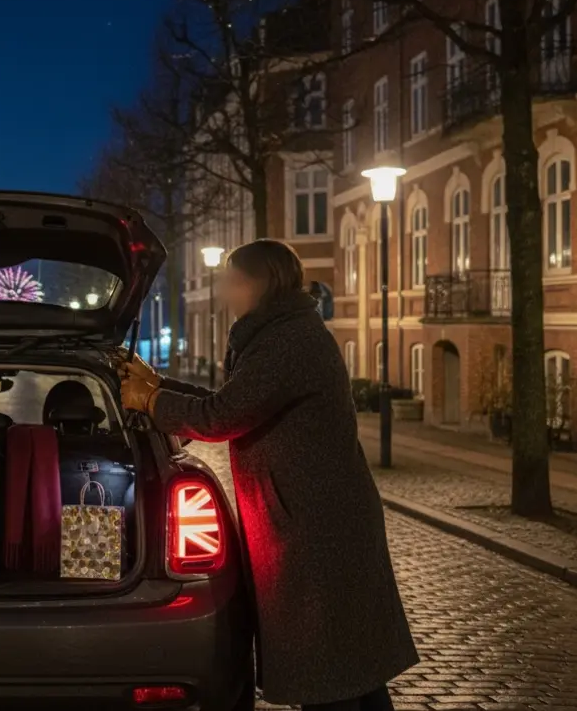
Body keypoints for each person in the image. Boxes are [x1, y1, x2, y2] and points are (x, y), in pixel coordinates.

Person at [117, 239, 417, 711]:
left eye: (231, 282)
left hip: (315, 528)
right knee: (351, 672)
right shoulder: (283, 332)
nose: (225, 293)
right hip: (315, 518)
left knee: (330, 674)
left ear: (258, 283)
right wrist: (156, 385)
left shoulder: (287, 342)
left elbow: (222, 415)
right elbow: (234, 399)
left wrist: (151, 401)